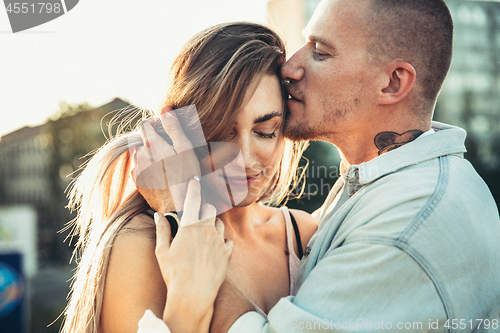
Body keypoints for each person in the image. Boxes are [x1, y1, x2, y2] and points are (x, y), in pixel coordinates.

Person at [147, 0, 500, 332]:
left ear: (393, 83)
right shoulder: (380, 183)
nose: (290, 67)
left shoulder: (408, 223)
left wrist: (183, 208)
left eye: (320, 52)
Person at [60, 22, 318, 333]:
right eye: (221, 134)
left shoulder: (304, 236)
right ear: (177, 131)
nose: (246, 159)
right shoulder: (141, 245)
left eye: (265, 132)